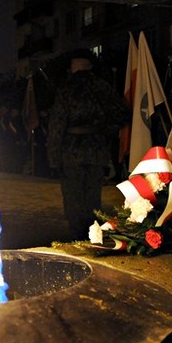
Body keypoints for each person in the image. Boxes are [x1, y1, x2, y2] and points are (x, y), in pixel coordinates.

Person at [47, 51, 128, 240]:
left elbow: (57, 125)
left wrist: (53, 157)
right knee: (93, 197)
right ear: (90, 66)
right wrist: (103, 131)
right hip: (96, 149)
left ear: (74, 67)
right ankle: (93, 236)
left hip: (71, 151)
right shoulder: (103, 88)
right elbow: (122, 114)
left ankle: (77, 236)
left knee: (73, 198)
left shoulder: (66, 89)